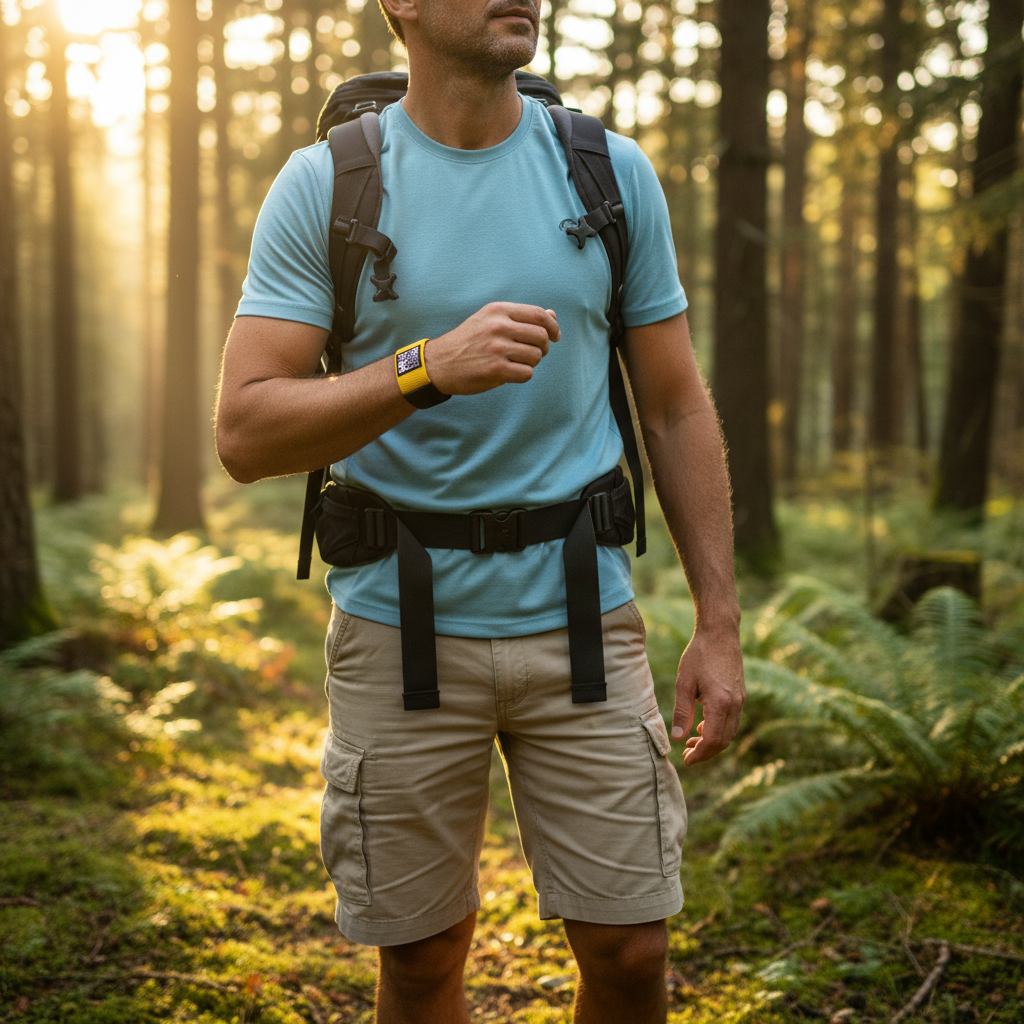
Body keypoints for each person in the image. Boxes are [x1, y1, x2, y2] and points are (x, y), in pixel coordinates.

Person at [214, 0, 745, 1019]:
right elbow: (244, 431)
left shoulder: (609, 171)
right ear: (399, 5)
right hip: (395, 628)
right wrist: (425, 368)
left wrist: (719, 624)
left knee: (631, 949)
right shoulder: (327, 185)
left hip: (586, 618)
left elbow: (677, 407)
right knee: (420, 958)